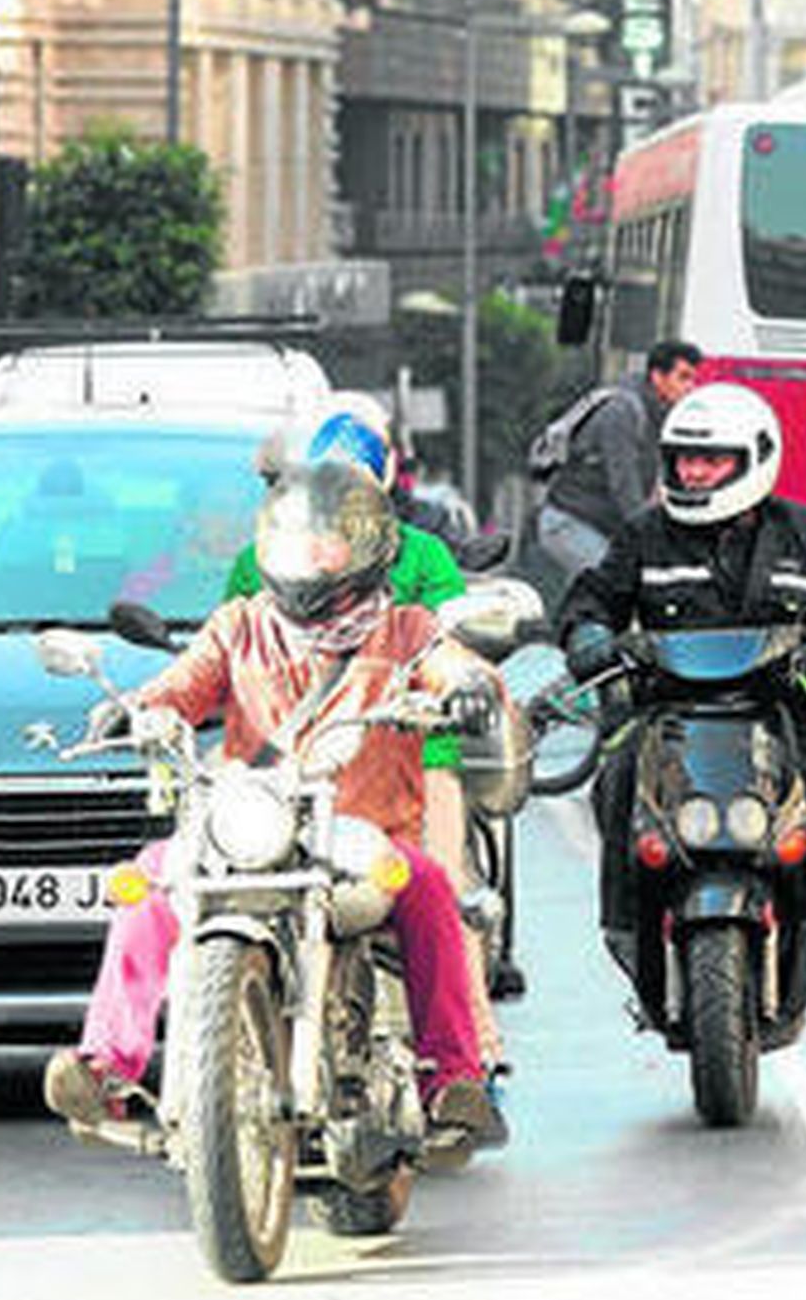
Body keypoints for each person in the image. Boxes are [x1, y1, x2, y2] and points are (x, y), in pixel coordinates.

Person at [44, 464, 510, 1149]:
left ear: (369, 548)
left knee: (432, 887)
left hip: (363, 839)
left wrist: (469, 686)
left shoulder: (407, 630)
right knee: (147, 881)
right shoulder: (240, 625)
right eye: (298, 541)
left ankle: (452, 1080)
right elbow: (184, 683)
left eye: (328, 543)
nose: (310, 558)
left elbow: (455, 664)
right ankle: (108, 1066)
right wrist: (137, 709)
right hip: (254, 829)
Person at [559, 383, 806, 1105]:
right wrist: (586, 635)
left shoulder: (805, 534)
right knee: (614, 793)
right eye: (684, 459)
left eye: (712, 461)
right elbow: (590, 599)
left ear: (755, 460)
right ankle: (632, 935)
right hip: (670, 719)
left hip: (786, 721)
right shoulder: (645, 536)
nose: (694, 472)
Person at [226, 406, 512, 1065]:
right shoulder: (258, 559)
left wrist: (455, 685)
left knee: (441, 893)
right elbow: (230, 648)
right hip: (291, 762)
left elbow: (449, 647)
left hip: (413, 752)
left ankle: (472, 1056)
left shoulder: (423, 555)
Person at [537, 340, 702, 584]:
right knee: (615, 583)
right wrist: (651, 540)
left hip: (598, 528)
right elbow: (624, 484)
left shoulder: (658, 415)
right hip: (570, 523)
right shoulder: (622, 411)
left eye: (693, 379)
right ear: (658, 377)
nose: (690, 387)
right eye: (683, 377)